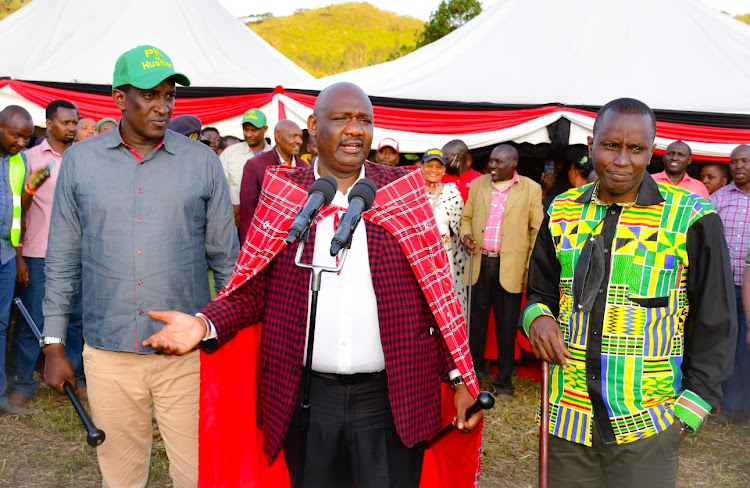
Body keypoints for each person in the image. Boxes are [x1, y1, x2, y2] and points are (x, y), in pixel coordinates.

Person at [143, 82, 482, 488]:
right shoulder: (286, 194)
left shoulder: (400, 193)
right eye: (342, 119)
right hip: (304, 400)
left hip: (392, 400)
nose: (355, 130)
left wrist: (460, 379)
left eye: (364, 120)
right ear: (313, 125)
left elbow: (435, 297)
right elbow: (253, 292)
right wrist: (203, 323)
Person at [41, 45, 239, 487]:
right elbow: (62, 259)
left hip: (186, 356)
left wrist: (228, 336)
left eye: (169, 96)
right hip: (109, 352)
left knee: (199, 474)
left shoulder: (202, 163)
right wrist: (53, 341)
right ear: (119, 98)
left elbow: (227, 262)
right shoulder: (81, 161)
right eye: (149, 95)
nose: (162, 107)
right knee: (122, 475)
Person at [523, 98, 735, 487]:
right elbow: (539, 291)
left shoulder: (692, 217)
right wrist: (538, 318)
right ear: (591, 147)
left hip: (648, 427)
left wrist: (688, 413)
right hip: (567, 423)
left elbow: (716, 322)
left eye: (636, 149)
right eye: (610, 146)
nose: (622, 160)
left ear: (651, 152)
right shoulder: (561, 210)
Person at [10, 100, 87, 409]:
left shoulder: (83, 158)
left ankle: (71, 379)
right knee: (34, 321)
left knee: (76, 319)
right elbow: (17, 211)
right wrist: (18, 255)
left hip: (78, 255)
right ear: (50, 123)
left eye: (75, 123)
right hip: (38, 252)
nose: (72, 128)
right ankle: (24, 384)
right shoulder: (29, 158)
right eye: (66, 122)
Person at [460, 144, 543, 399]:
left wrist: (530, 267)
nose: (492, 166)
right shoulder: (479, 185)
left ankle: (504, 382)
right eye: (491, 162)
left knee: (506, 328)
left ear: (513, 164)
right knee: (475, 326)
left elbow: (536, 231)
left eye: (498, 162)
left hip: (511, 267)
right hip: (479, 263)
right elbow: (466, 218)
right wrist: (465, 234)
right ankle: (472, 376)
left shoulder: (531, 188)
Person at [0, 106, 43, 416]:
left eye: (27, 137)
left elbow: (20, 210)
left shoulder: (19, 161)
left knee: (2, 327)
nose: (22, 143)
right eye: (16, 135)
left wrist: (32, 188)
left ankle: (1, 395)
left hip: (4, 252)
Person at [710, 144, 750, 424]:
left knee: (747, 349)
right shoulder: (719, 198)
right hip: (724, 288)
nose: (738, 166)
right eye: (734, 161)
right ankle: (730, 408)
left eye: (745, 161)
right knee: (726, 347)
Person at [238, 119, 305, 239]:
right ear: (278, 137)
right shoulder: (255, 165)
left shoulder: (304, 167)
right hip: (265, 239)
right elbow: (247, 211)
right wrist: (249, 245)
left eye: (300, 137)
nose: (299, 141)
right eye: (294, 136)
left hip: (295, 240)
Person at [420, 147, 467, 316]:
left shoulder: (452, 193)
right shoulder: (413, 192)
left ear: (444, 170)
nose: (433, 170)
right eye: (429, 165)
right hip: (417, 256)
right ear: (422, 167)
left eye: (438, 166)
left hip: (443, 258)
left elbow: (461, 229)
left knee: (442, 307)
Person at [219, 107, 271, 225]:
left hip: (264, 221)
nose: (249, 134)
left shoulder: (274, 156)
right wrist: (232, 205)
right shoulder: (230, 153)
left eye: (253, 130)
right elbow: (219, 183)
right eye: (245, 130)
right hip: (232, 219)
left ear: (265, 129)